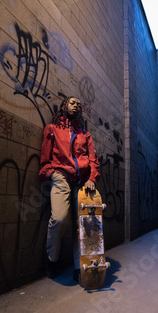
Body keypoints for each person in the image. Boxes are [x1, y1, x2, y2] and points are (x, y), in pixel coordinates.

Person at [39, 96, 100, 282]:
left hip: (82, 183)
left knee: (81, 225)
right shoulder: (52, 129)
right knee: (59, 218)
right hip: (61, 178)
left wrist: (92, 179)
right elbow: (45, 158)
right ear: (65, 105)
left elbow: (93, 161)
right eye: (72, 103)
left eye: (79, 105)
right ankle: (52, 259)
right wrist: (51, 173)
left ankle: (78, 266)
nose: (76, 106)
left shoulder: (85, 135)